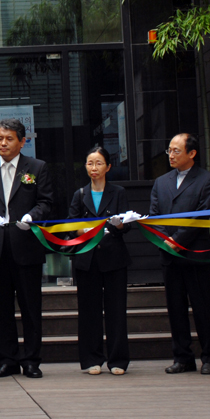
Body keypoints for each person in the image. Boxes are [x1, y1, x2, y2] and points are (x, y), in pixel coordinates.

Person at [0, 118, 53, 379]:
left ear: (22, 141)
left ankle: (31, 360)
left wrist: (32, 216)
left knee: (30, 307)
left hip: (25, 246)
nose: (3, 143)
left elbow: (47, 202)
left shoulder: (37, 167)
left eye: (8, 139)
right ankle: (7, 359)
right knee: (0, 309)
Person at [149, 133, 210, 375]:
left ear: (192, 153)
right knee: (175, 307)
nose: (171, 155)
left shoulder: (207, 180)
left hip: (195, 252)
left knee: (203, 306)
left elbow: (201, 215)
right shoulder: (161, 182)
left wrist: (178, 240)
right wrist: (167, 241)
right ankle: (182, 357)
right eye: (169, 150)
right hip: (169, 254)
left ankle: (209, 357)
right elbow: (154, 215)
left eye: (176, 151)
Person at [68, 146, 131, 376]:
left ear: (108, 167)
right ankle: (91, 359)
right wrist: (81, 231)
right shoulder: (80, 194)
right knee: (88, 311)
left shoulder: (118, 192)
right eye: (90, 163)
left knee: (116, 310)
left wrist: (118, 224)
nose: (94, 168)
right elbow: (70, 225)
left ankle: (118, 360)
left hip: (114, 258)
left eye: (98, 163)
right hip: (87, 259)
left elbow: (128, 224)